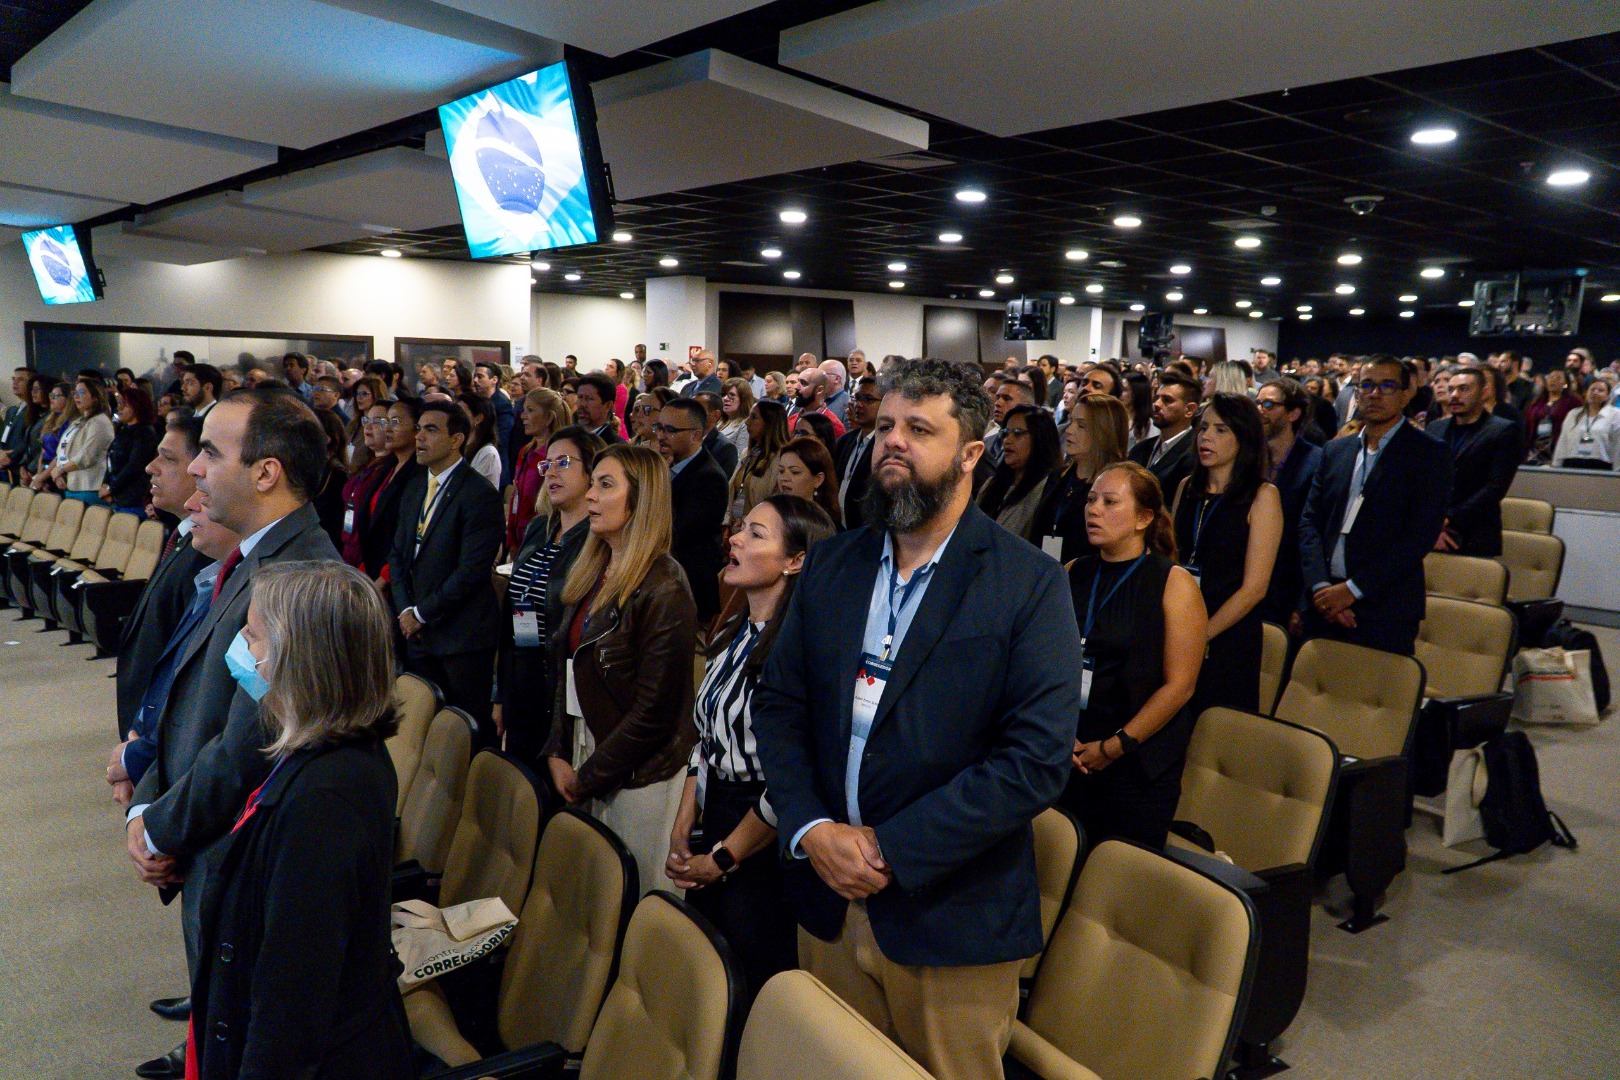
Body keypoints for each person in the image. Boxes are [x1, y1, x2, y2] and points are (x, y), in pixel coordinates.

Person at [751, 357, 1082, 1080]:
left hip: (948, 914)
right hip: (826, 893)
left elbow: (1033, 761)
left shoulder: (1027, 582)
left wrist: (887, 849)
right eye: (887, 426)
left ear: (970, 454)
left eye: (920, 429)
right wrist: (812, 828)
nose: (893, 441)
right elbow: (779, 704)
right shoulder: (834, 563)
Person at [123, 388, 339, 1080]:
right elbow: (186, 697)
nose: (195, 469)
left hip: (236, 849)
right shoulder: (250, 561)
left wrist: (161, 827)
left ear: (267, 472)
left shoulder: (301, 577)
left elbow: (249, 743)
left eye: (212, 453)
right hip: (206, 837)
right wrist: (149, 805)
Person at [187, 561, 412, 1079]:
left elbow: (292, 1000)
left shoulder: (326, 798)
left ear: (300, 659)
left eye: (253, 636)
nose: (241, 647)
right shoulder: (321, 753)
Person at [667, 495, 836, 1006]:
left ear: (796, 560)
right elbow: (706, 738)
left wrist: (724, 857)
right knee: (700, 983)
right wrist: (685, 819)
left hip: (761, 845)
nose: (734, 538)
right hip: (716, 812)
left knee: (742, 985)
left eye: (755, 534)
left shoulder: (803, 651)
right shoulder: (733, 630)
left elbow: (786, 784)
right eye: (740, 527)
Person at [546, 444, 699, 896]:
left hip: (639, 774)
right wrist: (557, 748)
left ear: (640, 500)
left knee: (633, 900)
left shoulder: (666, 586)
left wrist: (589, 776)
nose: (590, 495)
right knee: (591, 897)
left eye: (605, 485)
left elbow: (653, 714)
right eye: (593, 483)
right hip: (588, 750)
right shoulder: (594, 566)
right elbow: (568, 667)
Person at [1059, 461, 1206, 849]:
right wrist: (1058, 732)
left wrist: (1115, 746)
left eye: (1109, 502)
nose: (1093, 510)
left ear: (1144, 518)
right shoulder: (1073, 571)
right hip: (1067, 748)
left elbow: (1180, 686)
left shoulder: (1172, 582)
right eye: (1091, 500)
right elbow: (1046, 662)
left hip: (1134, 761)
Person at [1299, 356, 1453, 656]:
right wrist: (1320, 586)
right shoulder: (1336, 450)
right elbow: (1310, 522)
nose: (1374, 394)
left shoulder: (1429, 453)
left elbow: (1418, 536)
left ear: (1406, 394)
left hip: (1384, 608)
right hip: (1323, 602)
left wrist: (1352, 590)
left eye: (1387, 386)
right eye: (1366, 385)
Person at [388, 401, 505, 745]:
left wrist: (421, 613)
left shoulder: (479, 493)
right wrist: (405, 610)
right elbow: (398, 556)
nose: (419, 437)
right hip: (417, 636)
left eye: (431, 430)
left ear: (456, 439)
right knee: (419, 735)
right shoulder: (414, 487)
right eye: (418, 429)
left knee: (464, 736)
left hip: (461, 639)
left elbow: (471, 571)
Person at [496, 426, 603, 766]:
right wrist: (501, 695)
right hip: (521, 682)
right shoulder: (538, 529)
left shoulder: (598, 543)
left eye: (564, 462)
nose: (551, 472)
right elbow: (512, 616)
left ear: (592, 472)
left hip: (560, 693)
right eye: (547, 464)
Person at [1172, 394, 1282, 714]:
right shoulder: (1185, 487)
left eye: (1220, 430)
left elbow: (1254, 588)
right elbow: (1171, 560)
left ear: (1243, 438)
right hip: (1180, 624)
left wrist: (1202, 634)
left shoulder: (1263, 496)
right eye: (1203, 428)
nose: (1206, 437)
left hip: (1227, 635)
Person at [115, 411, 208, 744]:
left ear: (202, 468)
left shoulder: (206, 554)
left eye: (168, 459)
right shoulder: (181, 538)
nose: (150, 467)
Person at [1428, 367, 1522, 557]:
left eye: (1463, 389)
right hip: (1431, 530)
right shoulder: (1435, 428)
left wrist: (1447, 519)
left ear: (1483, 392)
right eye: (1451, 389)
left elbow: (1495, 488)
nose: (1454, 395)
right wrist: (1431, 522)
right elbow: (1423, 479)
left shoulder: (1502, 430)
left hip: (1475, 532)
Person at [1031, 393, 1129, 564]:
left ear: (1104, 433)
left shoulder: (1117, 488)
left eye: (1081, 425)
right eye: (1071, 421)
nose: (1069, 430)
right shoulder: (1058, 477)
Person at [1257, 378, 1323, 628]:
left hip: (1286, 584)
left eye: (1268, 405)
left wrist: (1302, 601)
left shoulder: (1316, 461)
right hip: (1250, 576)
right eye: (1257, 403)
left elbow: (1313, 532)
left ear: (1293, 413)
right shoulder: (1249, 456)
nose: (1260, 410)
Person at [976, 404, 1061, 543]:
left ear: (1040, 438)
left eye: (1017, 433)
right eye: (1005, 433)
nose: (1007, 440)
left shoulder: (1048, 489)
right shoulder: (992, 484)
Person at [507, 388, 571, 553]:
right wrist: (511, 538)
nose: (523, 416)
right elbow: (516, 495)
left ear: (549, 417)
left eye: (530, 410)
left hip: (541, 538)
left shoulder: (555, 458)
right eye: (523, 410)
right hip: (520, 538)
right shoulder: (525, 451)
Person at [1127, 370, 1200, 500]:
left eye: (1167, 400)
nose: (1156, 404)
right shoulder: (1140, 449)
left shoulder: (1195, 455)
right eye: (1157, 398)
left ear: (1189, 410)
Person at [339, 403, 394, 569]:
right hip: (348, 551)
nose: (368, 427)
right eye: (367, 420)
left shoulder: (391, 470)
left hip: (367, 559)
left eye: (377, 421)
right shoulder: (366, 464)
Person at [47, 377, 116, 503]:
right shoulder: (78, 421)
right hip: (72, 485)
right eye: (75, 393)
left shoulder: (100, 422)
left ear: (95, 397)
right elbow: (62, 450)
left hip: (90, 488)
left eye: (82, 392)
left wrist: (60, 469)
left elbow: (87, 457)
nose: (76, 396)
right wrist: (58, 474)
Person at [100, 386, 161, 514]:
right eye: (119, 404)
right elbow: (111, 459)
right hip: (118, 496)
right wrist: (106, 484)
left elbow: (134, 466)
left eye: (124, 405)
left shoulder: (145, 433)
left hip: (133, 499)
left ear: (137, 407)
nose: (119, 408)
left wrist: (111, 488)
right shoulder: (123, 429)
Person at [729, 400, 788, 529]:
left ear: (770, 423)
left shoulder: (781, 459)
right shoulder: (747, 454)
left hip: (760, 527)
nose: (747, 422)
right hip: (736, 525)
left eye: (754, 417)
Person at [833, 375, 881, 530]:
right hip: (839, 529)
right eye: (857, 398)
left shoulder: (884, 446)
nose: (859, 404)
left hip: (867, 531)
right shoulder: (844, 441)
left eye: (868, 399)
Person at [775, 435, 843, 529]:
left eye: (795, 472)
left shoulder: (827, 528)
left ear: (818, 479)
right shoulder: (770, 515)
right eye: (781, 471)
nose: (784, 478)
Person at [1552, 376, 1619, 469]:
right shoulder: (1574, 414)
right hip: (1571, 463)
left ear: (1607, 396)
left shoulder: (1615, 415)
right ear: (1586, 393)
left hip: (1601, 466)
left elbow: (1617, 445)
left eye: (1600, 390)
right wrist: (1556, 465)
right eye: (1592, 389)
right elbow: (1563, 441)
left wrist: (1617, 470)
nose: (1595, 392)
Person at [1524, 368, 1582, 464]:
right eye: (1550, 377)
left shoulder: (1573, 402)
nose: (1553, 380)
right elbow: (1527, 424)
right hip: (1534, 451)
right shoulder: (1537, 402)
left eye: (1558, 378)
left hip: (1558, 449)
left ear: (1565, 384)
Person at [457, 392, 503, 490]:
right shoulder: (459, 447)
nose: (455, 418)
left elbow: (473, 491)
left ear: (478, 419)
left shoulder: (488, 453)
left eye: (460, 413)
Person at [788, 369, 847, 439]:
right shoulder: (792, 419)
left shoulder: (833, 426)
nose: (797, 387)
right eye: (798, 382)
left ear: (819, 390)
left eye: (803, 383)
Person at [695, 390, 740, 478]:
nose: (690, 414)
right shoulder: (685, 439)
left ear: (715, 415)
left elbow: (721, 482)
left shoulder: (725, 448)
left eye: (697, 410)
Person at [575, 372, 626, 444]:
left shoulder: (616, 446)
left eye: (590, 399)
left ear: (608, 405)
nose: (582, 404)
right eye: (580, 397)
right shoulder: (569, 439)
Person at [717, 378, 755, 463]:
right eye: (724, 394)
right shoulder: (720, 421)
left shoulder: (745, 425)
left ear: (743, 399)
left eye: (731, 395)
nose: (725, 398)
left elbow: (740, 459)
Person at [1121, 370, 1157, 451]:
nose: (1120, 393)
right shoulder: (1115, 417)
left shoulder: (1149, 424)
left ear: (1137, 392)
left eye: (1124, 390)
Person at [819, 359, 850, 424]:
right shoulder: (818, 400)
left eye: (822, 375)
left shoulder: (848, 404)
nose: (818, 379)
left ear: (836, 379)